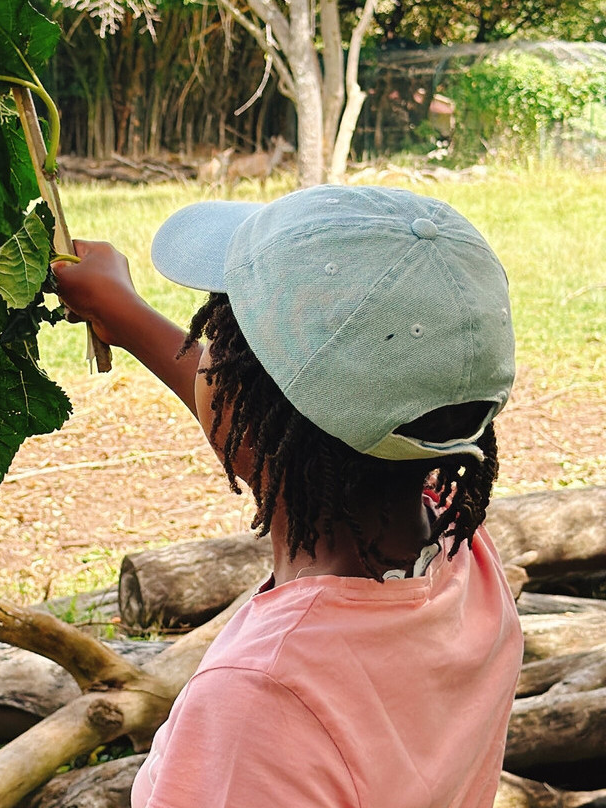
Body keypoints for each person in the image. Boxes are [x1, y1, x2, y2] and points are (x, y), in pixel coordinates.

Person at [52, 184, 524, 808]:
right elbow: (285, 428)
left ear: (248, 412)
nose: (206, 361)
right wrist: (127, 315)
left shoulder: (262, 702)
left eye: (223, 346)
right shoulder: (457, 546)